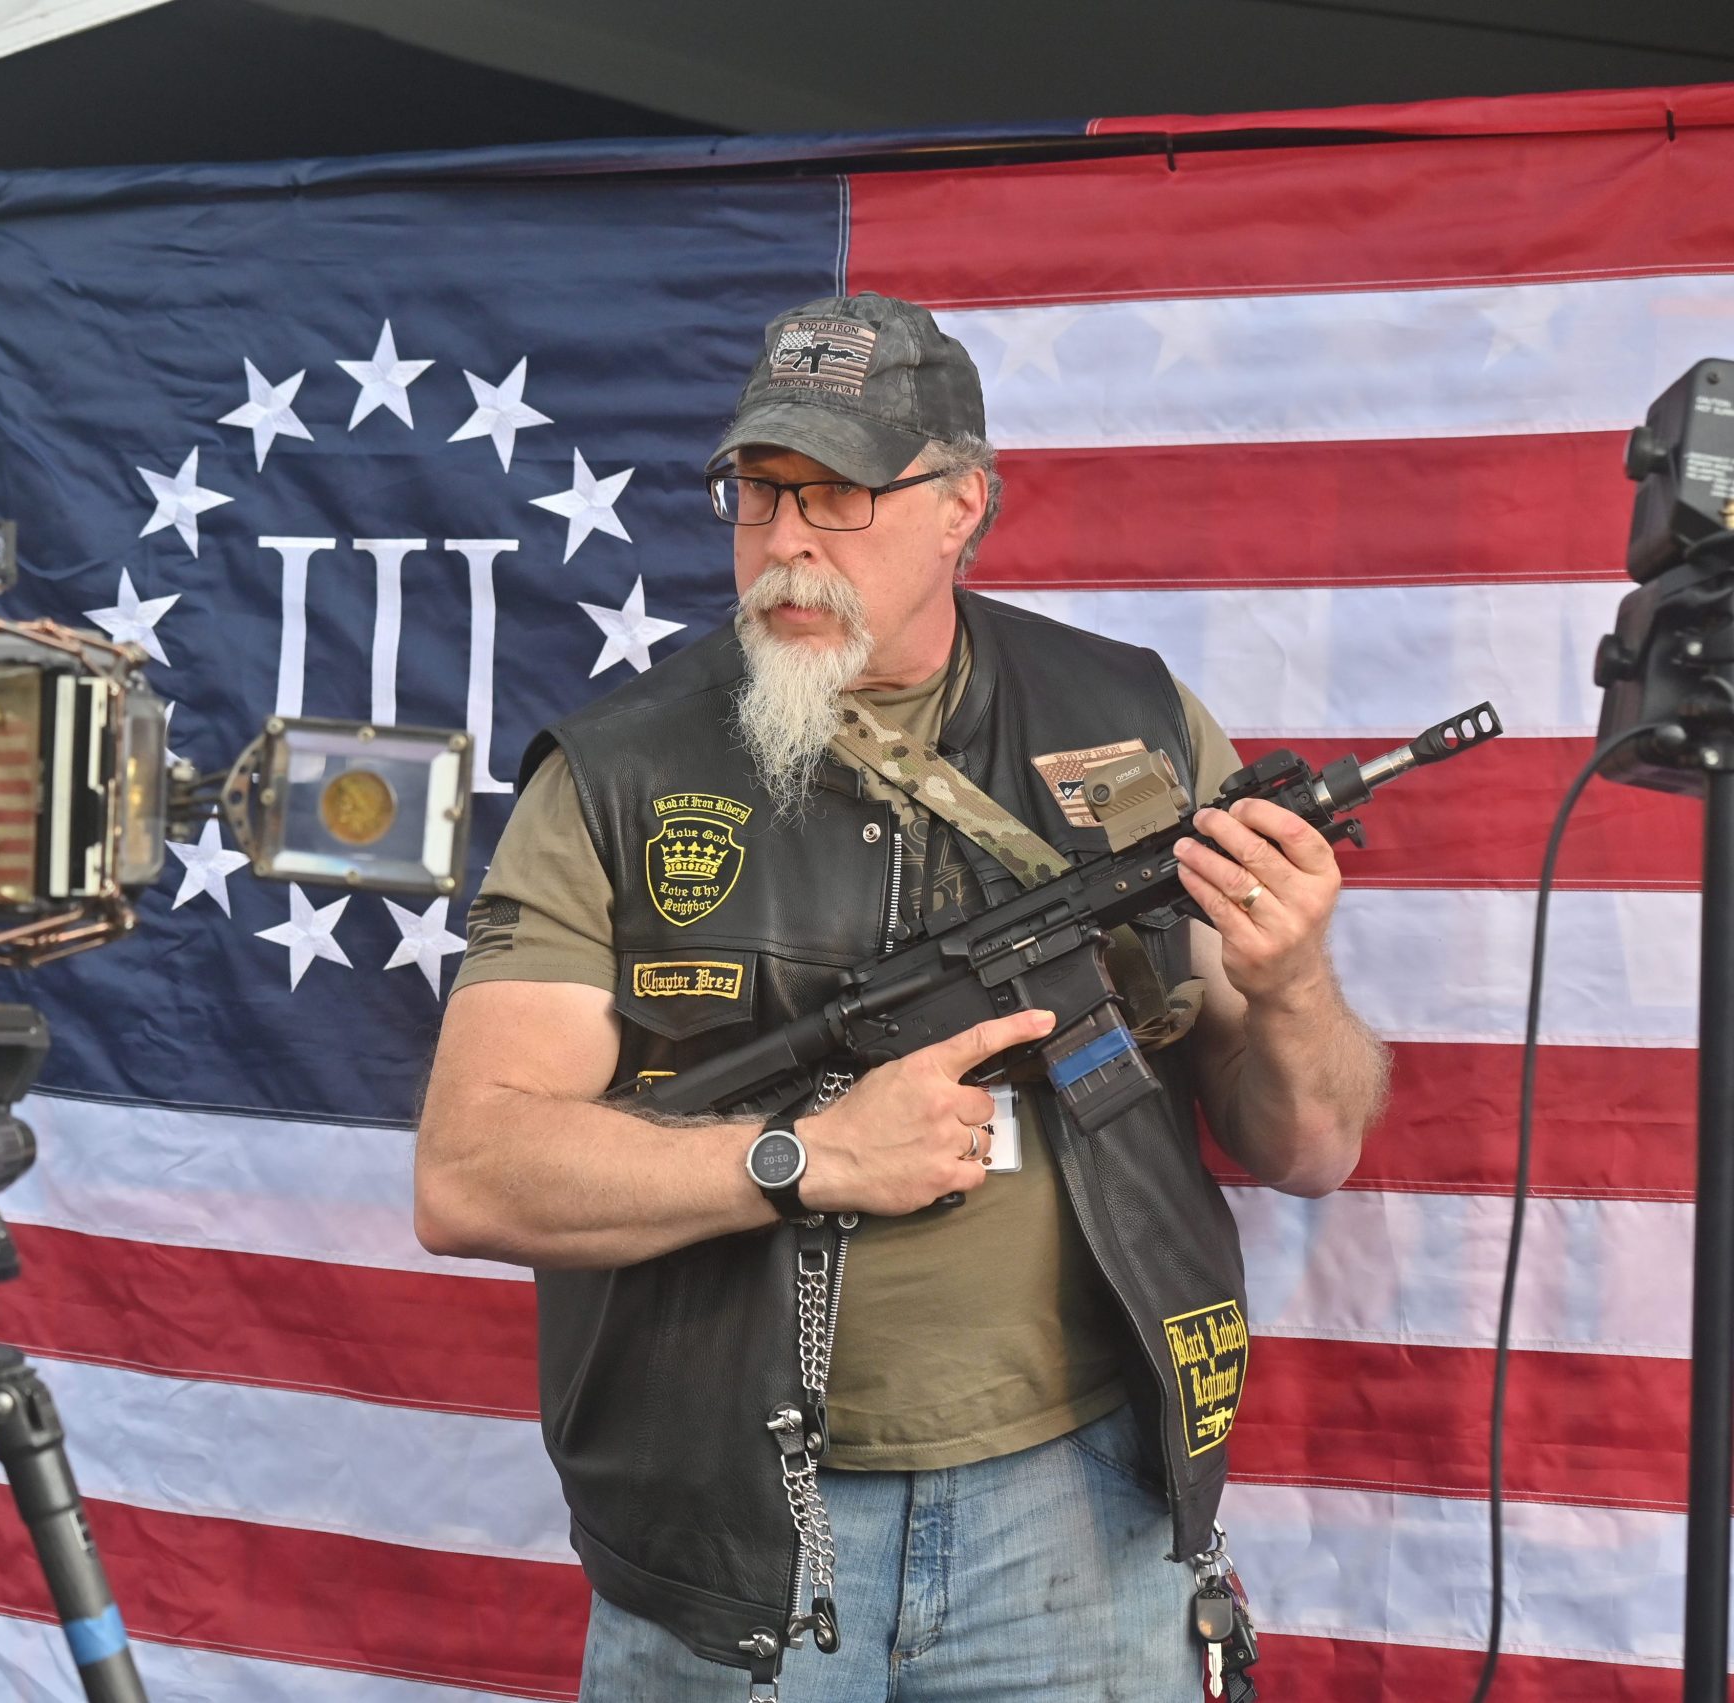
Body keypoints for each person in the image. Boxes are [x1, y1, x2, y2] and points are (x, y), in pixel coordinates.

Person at [414, 293, 1389, 1700]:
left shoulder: (1132, 719)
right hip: (746, 1529)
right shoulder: (619, 775)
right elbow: (470, 1170)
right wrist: (801, 1161)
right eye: (758, 494)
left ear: (962, 507)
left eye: (839, 495)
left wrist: (1291, 981)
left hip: (1083, 1511)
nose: (786, 542)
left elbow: (1312, 1148)